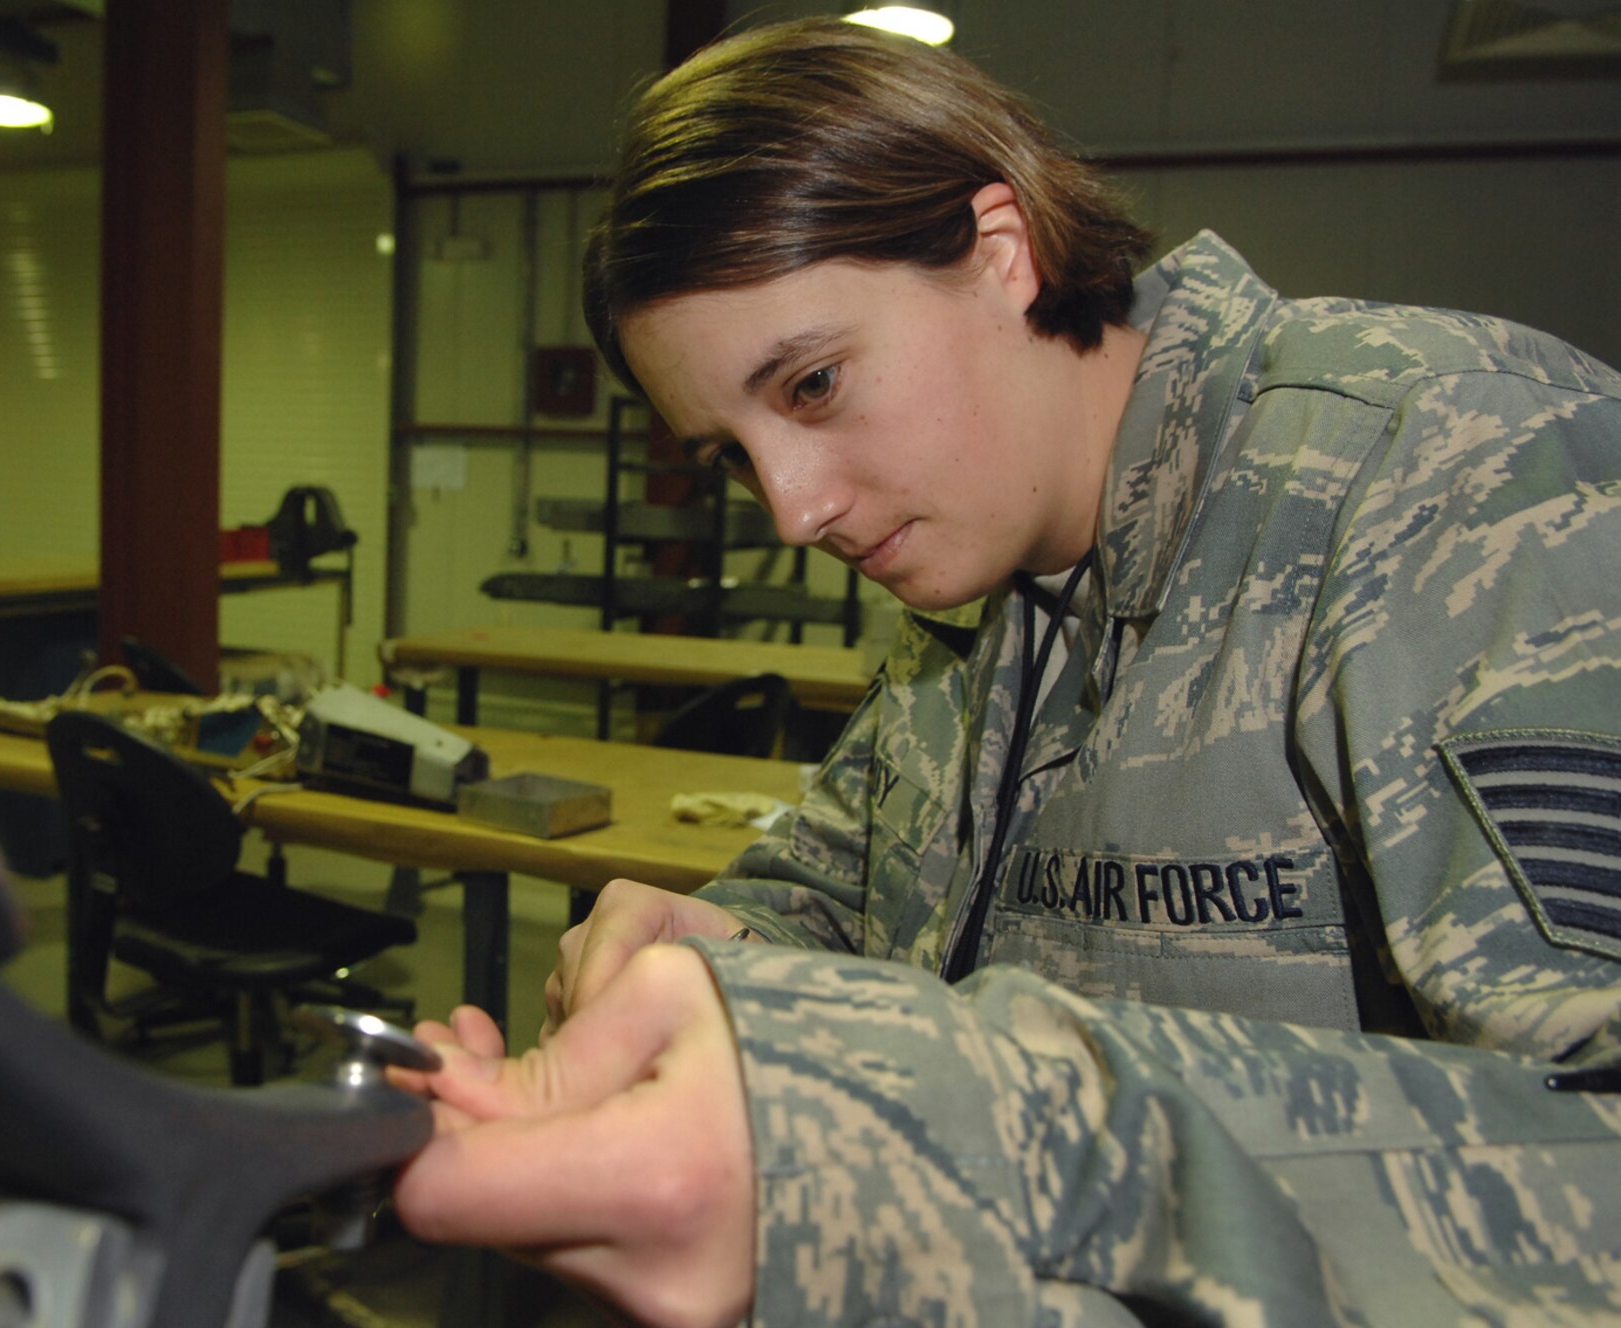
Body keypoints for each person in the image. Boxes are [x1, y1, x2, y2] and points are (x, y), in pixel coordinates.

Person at [393, 17, 1621, 1327]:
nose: (794, 509)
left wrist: (994, 1127)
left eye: (812, 385)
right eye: (735, 455)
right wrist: (709, 971)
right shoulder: (976, 592)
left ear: (1001, 251)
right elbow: (841, 904)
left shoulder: (1467, 481)